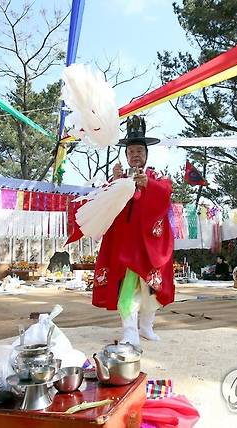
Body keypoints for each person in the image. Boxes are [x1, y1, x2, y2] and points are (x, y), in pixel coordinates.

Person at [91, 116, 175, 346]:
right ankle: (130, 330)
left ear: (146, 155)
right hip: (127, 247)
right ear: (126, 156)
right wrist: (115, 183)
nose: (136, 154)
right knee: (127, 289)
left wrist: (148, 184)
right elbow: (104, 204)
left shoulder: (157, 177)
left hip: (151, 246)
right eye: (131, 151)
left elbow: (165, 193)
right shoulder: (117, 178)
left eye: (140, 150)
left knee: (152, 291)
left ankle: (146, 327)